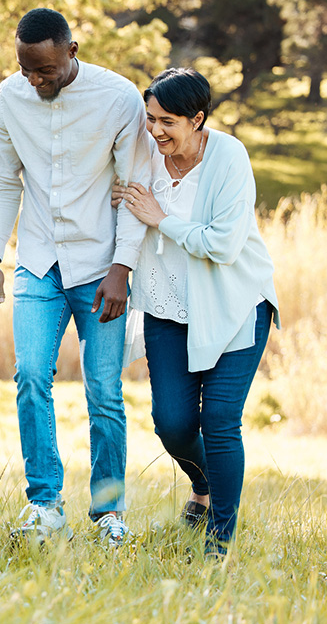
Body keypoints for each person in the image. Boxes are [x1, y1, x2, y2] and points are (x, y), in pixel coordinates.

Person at [0, 8, 152, 546]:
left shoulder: (120, 98)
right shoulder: (8, 98)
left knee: (103, 390)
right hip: (37, 259)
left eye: (46, 71)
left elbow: (135, 186)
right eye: (26, 69)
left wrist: (122, 269)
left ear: (72, 50)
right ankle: (45, 504)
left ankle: (107, 514)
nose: (35, 80)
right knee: (31, 375)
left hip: (101, 266)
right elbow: (2, 180)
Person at [113, 67, 279, 557]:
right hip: (168, 308)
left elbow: (224, 246)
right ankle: (203, 490)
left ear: (198, 119)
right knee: (173, 424)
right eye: (150, 119)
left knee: (221, 420)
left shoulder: (227, 156)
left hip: (234, 306)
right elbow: (125, 206)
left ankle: (219, 538)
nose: (156, 130)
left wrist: (162, 221)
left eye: (168, 121)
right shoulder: (147, 154)